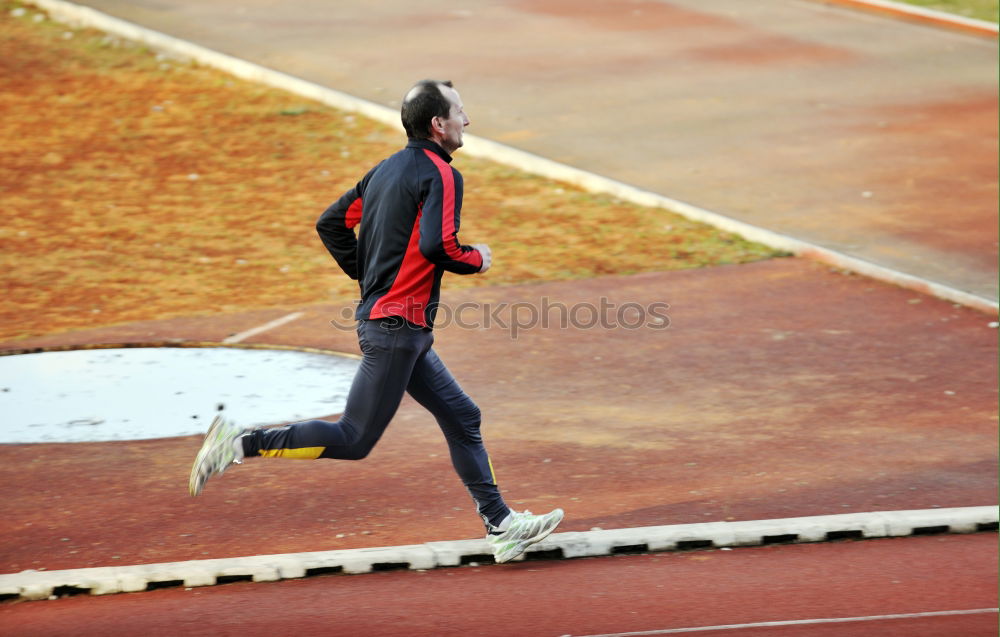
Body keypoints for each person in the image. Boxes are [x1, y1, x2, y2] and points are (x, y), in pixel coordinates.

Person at [189, 79, 563, 564]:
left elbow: (332, 223)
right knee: (355, 437)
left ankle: (501, 525)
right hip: (396, 332)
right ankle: (239, 443)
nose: (466, 122)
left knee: (463, 416)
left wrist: (369, 280)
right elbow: (439, 246)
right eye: (460, 113)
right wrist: (478, 259)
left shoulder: (385, 172)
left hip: (401, 330)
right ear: (438, 124)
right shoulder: (442, 174)